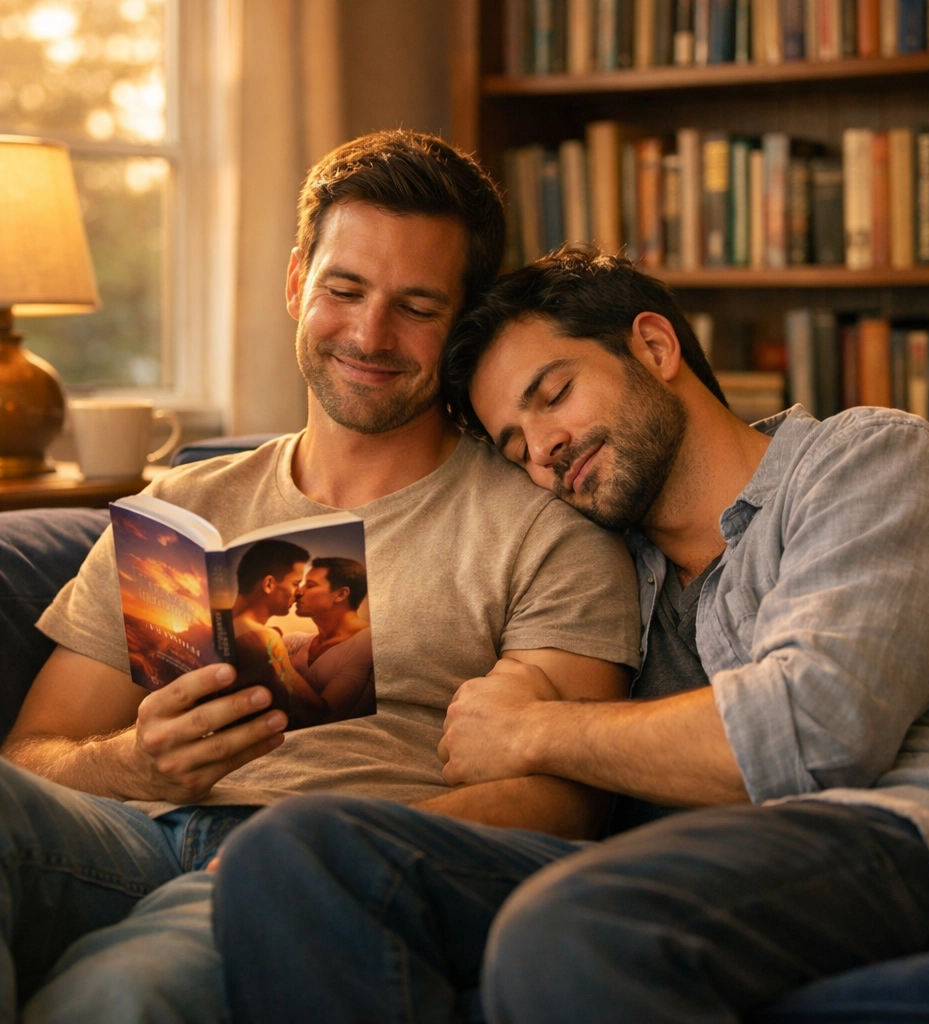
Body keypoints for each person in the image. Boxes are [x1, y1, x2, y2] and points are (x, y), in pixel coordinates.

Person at [212, 247, 929, 1024]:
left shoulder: (874, 462)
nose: (545, 451)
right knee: (294, 856)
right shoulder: (603, 566)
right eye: (515, 447)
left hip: (913, 832)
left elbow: (812, 731)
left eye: (554, 394)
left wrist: (536, 729)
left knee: (572, 927)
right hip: (666, 866)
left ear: (655, 344)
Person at [0, 147, 640, 1022]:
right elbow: (32, 752)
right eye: (344, 291)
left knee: (116, 997)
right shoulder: (179, 507)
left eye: (416, 307)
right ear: (298, 282)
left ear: (464, 329)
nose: (370, 336)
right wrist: (133, 759)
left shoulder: (543, 523)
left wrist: (318, 849)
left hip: (316, 869)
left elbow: (565, 799)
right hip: (129, 833)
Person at [229, 540, 328, 724]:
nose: (299, 593)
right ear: (268, 584)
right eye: (296, 583)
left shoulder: (215, 628)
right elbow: (312, 709)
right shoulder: (264, 637)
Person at [284, 556, 375, 721]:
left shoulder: (367, 641)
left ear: (340, 594)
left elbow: (324, 715)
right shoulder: (298, 641)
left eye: (310, 585)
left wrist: (277, 662)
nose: (298, 592)